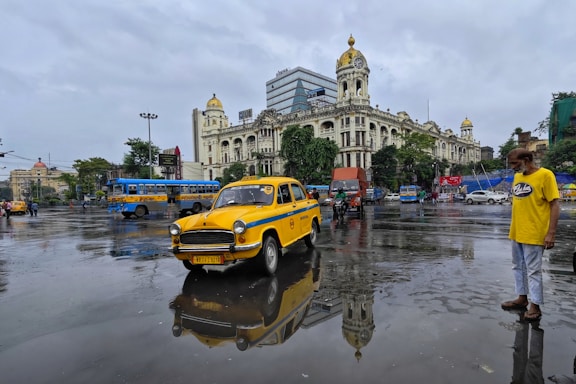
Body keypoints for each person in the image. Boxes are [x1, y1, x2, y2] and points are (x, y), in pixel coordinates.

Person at [501, 148, 560, 322]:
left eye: (515, 163)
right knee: (518, 267)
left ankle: (535, 306)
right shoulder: (518, 177)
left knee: (533, 271)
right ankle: (522, 298)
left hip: (535, 233)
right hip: (517, 231)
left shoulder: (546, 175)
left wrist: (551, 232)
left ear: (527, 159)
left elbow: (554, 204)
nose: (513, 167)